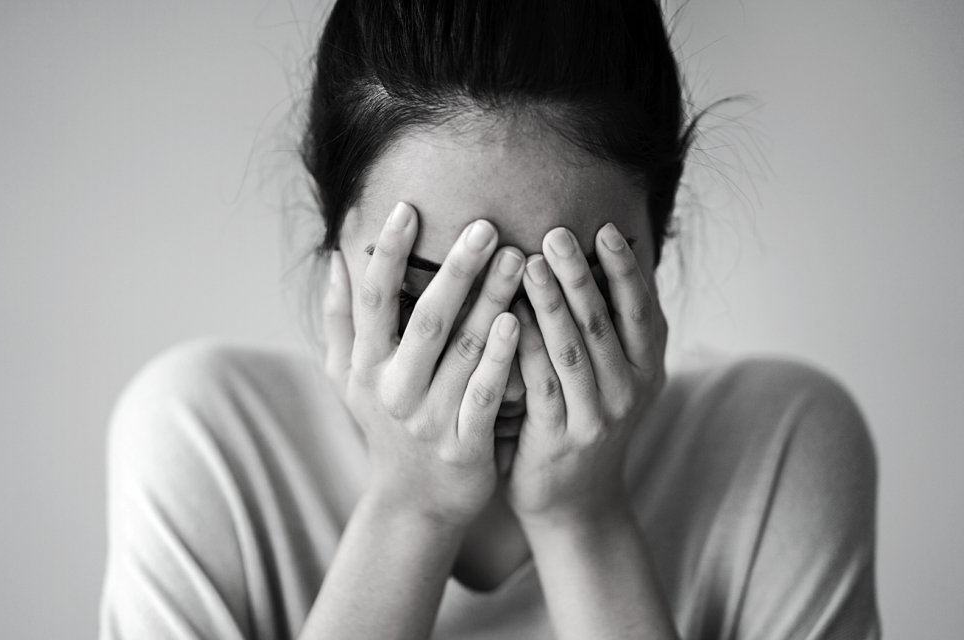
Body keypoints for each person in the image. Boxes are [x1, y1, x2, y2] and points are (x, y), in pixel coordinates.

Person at [98, 1, 880, 638]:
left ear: (657, 243)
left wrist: (585, 522)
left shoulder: (780, 446)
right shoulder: (207, 443)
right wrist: (410, 509)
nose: (498, 372)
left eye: (569, 296)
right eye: (428, 301)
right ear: (335, 248)